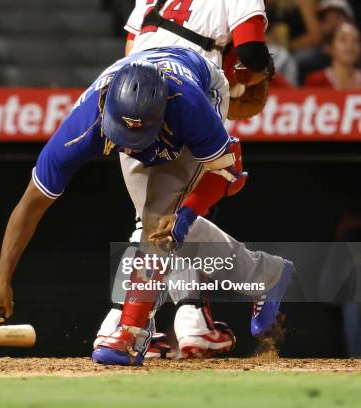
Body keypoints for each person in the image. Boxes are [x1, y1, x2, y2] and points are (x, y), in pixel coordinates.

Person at [0, 47, 293, 366]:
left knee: (158, 222)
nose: (130, 145)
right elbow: (31, 204)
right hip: (147, 96)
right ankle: (266, 275)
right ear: (107, 113)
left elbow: (230, 175)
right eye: (123, 135)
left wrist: (185, 214)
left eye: (139, 136)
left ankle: (132, 331)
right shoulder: (82, 127)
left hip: (203, 83)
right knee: (160, 224)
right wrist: (2, 278)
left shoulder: (189, 107)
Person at [95, 0, 278, 360]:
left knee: (157, 214)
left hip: (135, 92)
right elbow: (252, 53)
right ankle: (208, 306)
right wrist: (252, 75)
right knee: (163, 215)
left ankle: (132, 320)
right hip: (194, 89)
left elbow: (131, 47)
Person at [304, 22, 361, 89]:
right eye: (343, 39)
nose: (350, 46)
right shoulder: (315, 81)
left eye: (355, 40)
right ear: (330, 47)